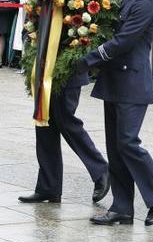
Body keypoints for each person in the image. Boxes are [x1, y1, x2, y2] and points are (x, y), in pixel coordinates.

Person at [77, 0, 153, 226]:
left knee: (128, 143)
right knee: (116, 147)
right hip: (117, 80)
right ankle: (122, 207)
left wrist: (87, 60)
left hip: (131, 80)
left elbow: (124, 41)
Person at [18, 72, 110, 204]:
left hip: (67, 72)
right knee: (44, 123)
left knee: (67, 122)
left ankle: (101, 169)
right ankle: (49, 187)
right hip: (45, 71)